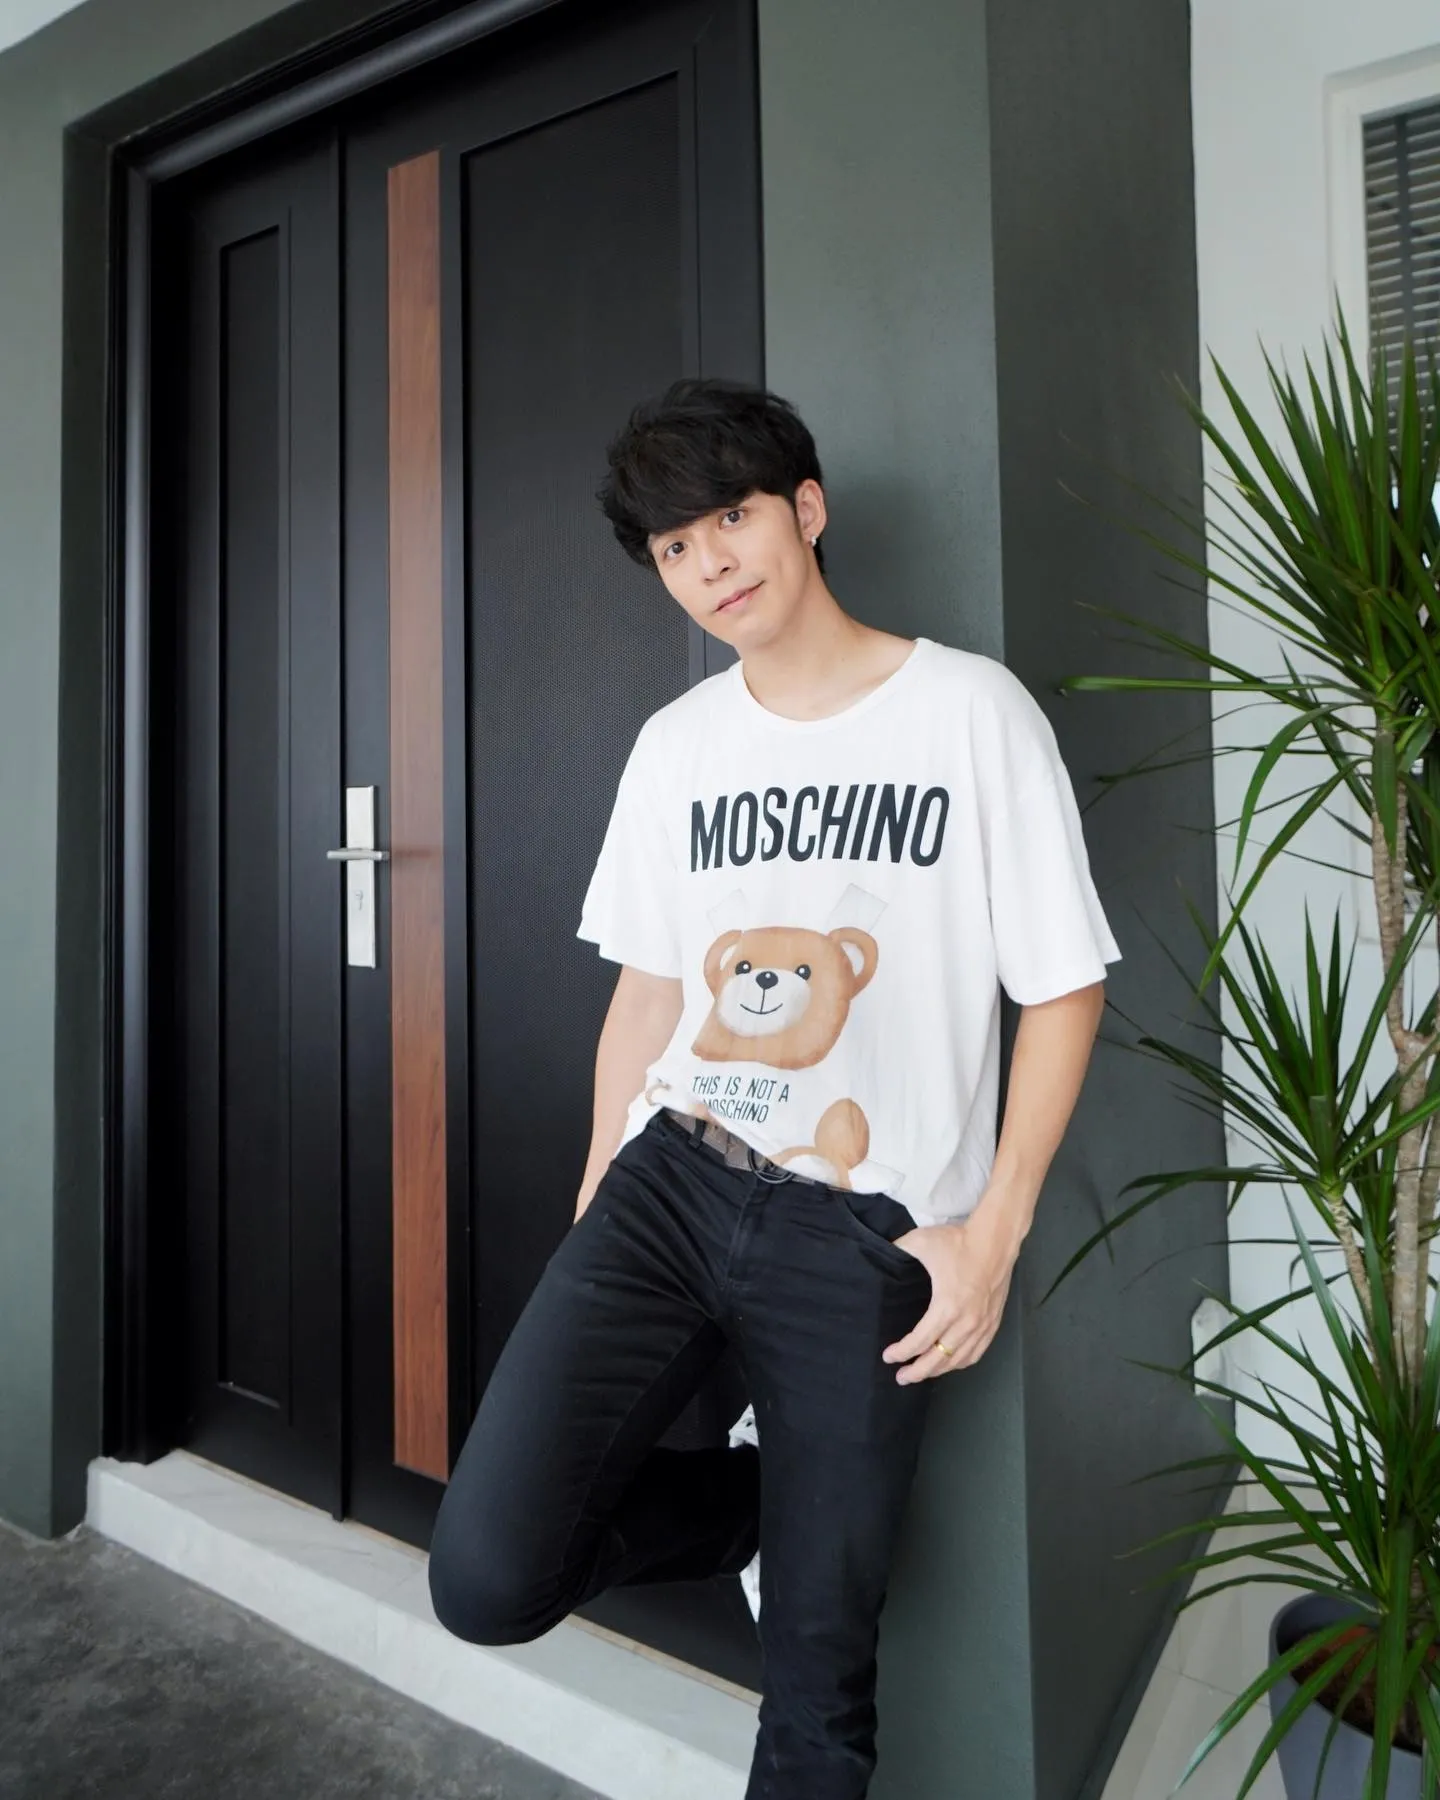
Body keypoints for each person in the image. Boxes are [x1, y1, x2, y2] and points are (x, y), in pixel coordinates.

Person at [427, 378, 1121, 1799]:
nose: (709, 566)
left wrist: (990, 1237)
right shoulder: (678, 746)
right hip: (670, 1185)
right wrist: (597, 1184)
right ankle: (759, 1503)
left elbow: (1062, 987)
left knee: (816, 1692)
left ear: (806, 510)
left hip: (860, 1233)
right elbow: (650, 991)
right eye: (675, 548)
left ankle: (799, 1526)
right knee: (488, 1576)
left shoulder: (969, 714)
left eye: (730, 519)